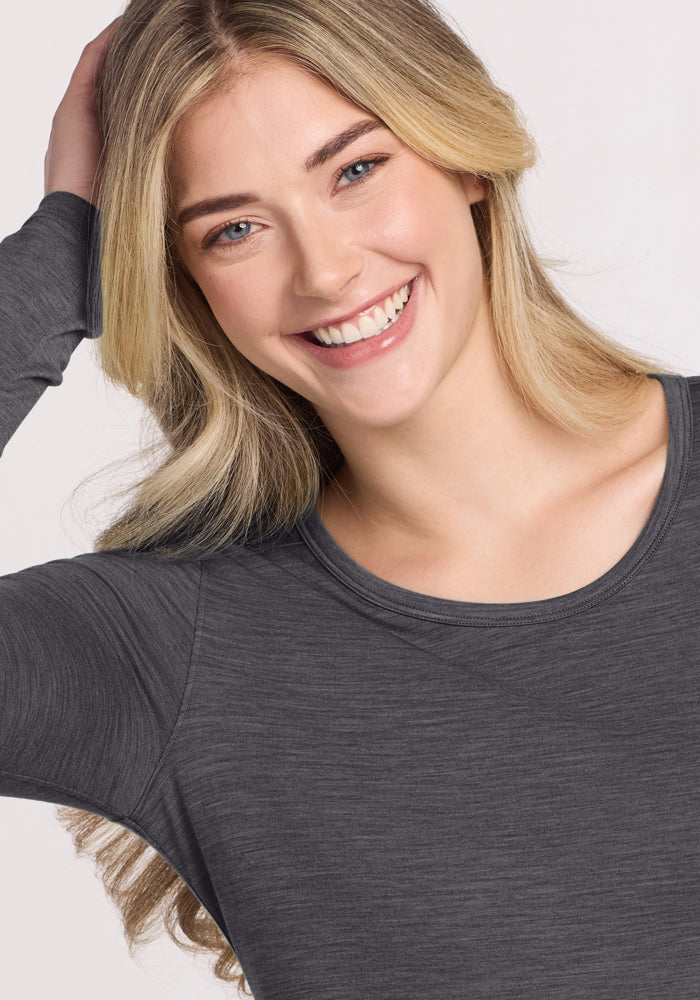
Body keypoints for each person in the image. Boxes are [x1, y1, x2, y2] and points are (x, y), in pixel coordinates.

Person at [2, 0, 698, 996]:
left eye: (356, 171)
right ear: (184, 279)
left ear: (460, 152)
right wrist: (61, 257)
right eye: (233, 228)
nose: (325, 270)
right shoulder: (179, 644)